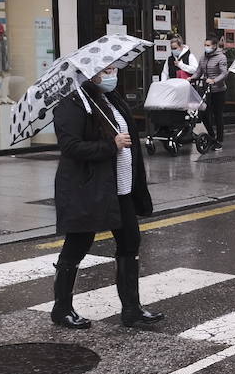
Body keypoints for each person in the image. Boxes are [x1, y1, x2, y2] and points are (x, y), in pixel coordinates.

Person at [50, 65, 163, 331]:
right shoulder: (73, 104)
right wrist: (110, 145)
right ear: (90, 73)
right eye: (107, 70)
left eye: (114, 68)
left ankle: (132, 310)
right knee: (78, 244)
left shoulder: (109, 99)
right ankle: (61, 309)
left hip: (119, 187)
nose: (114, 74)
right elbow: (70, 146)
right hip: (88, 187)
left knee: (130, 242)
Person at [192, 36, 229, 148]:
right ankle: (212, 136)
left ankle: (219, 140)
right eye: (205, 45)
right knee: (203, 114)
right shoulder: (203, 57)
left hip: (219, 90)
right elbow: (198, 72)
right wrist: (191, 78)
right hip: (206, 90)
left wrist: (214, 80)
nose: (206, 47)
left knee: (217, 115)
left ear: (214, 46)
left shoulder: (221, 57)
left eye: (208, 45)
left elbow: (224, 73)